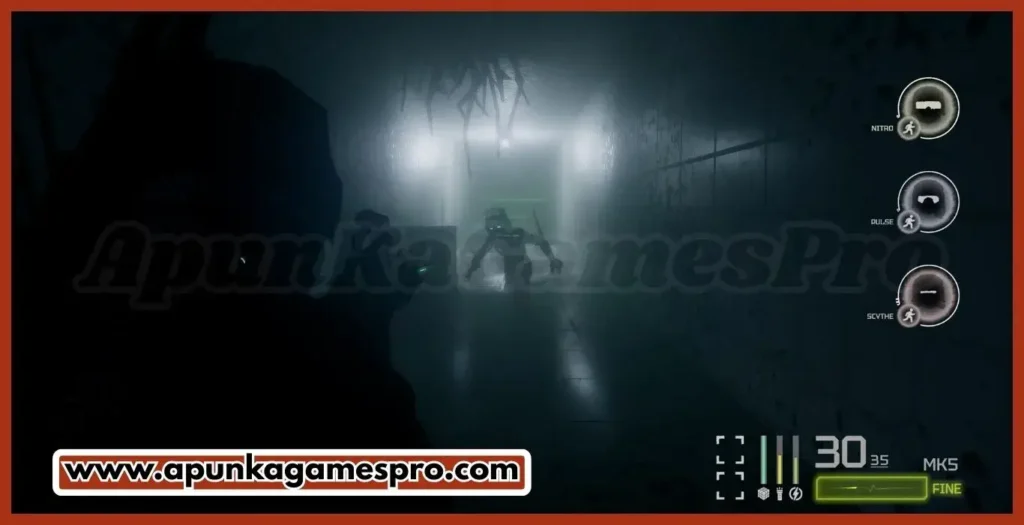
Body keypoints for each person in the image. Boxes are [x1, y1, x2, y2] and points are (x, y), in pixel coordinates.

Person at [464, 207, 563, 292]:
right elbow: (480, 254)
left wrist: (552, 259)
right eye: (489, 222)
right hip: (514, 266)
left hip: (521, 265)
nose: (491, 226)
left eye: (493, 222)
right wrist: (470, 270)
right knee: (515, 289)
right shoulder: (497, 236)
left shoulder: (517, 233)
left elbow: (541, 242)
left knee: (519, 289)